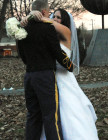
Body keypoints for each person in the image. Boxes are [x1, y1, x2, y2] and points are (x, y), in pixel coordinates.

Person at [22, 6, 99, 140]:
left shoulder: (66, 32)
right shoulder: (47, 32)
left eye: (59, 17)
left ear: (65, 21)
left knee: (65, 113)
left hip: (63, 78)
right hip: (48, 76)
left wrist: (33, 16)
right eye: (54, 16)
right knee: (45, 113)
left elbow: (48, 25)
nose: (55, 19)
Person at [18, 1, 73, 140]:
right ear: (43, 12)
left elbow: (22, 55)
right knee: (50, 117)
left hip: (29, 76)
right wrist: (70, 66)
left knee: (33, 116)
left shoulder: (22, 28)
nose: (50, 16)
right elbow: (57, 52)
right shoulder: (47, 28)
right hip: (45, 76)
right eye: (49, 13)